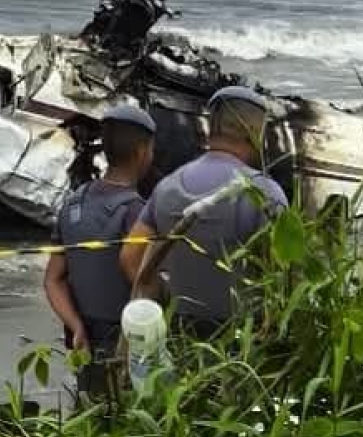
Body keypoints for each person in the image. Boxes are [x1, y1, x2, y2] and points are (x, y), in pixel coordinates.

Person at [120, 85, 288, 336]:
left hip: (179, 337)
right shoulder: (266, 194)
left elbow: (130, 257)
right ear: (256, 133)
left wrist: (165, 302)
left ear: (212, 127)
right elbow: (285, 277)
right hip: (240, 349)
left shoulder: (167, 187)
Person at [44, 103, 156, 398]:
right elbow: (144, 284)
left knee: (92, 415)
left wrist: (75, 325)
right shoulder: (137, 214)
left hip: (84, 341)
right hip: (126, 346)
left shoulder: (73, 203)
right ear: (143, 151)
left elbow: (53, 279)